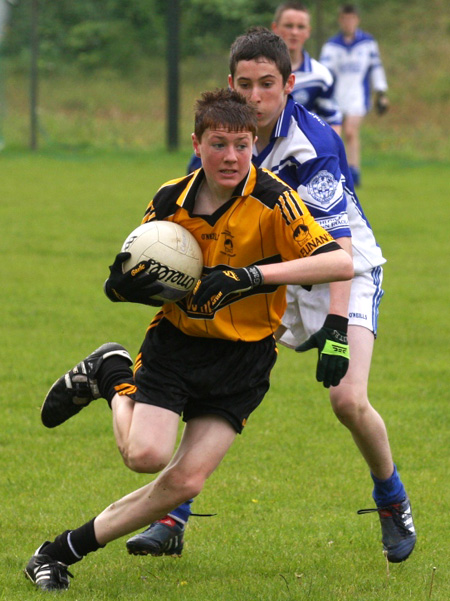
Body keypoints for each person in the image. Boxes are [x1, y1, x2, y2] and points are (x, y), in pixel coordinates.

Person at [24, 88, 353, 592]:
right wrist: (123, 284)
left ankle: (58, 552)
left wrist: (250, 277)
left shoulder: (273, 199)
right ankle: (114, 376)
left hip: (244, 360)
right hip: (177, 345)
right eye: (218, 144)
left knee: (185, 483)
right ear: (197, 143)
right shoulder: (169, 199)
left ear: (253, 144)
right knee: (146, 458)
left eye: (242, 145)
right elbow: (135, 264)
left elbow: (339, 261)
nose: (231, 157)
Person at [133, 27, 416, 565]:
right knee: (214, 365)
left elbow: (342, 248)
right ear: (230, 85)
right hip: (270, 274)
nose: (256, 97)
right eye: (245, 85)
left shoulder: (314, 143)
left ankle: (391, 498)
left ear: (289, 84)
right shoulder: (222, 142)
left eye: (268, 84)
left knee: (348, 400)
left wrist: (335, 330)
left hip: (343, 273)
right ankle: (173, 516)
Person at [320, 4, 389, 186]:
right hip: (336, 98)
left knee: (350, 131)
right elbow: (323, 73)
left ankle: (354, 172)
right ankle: (336, 171)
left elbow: (376, 68)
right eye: (344, 19)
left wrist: (381, 92)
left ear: (356, 20)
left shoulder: (367, 43)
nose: (348, 23)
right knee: (334, 135)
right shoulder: (331, 46)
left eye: (351, 19)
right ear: (340, 21)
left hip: (358, 97)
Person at [271, 2, 342, 133]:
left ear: (308, 31)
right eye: (288, 26)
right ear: (275, 28)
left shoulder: (320, 75)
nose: (294, 32)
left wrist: (331, 152)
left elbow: (332, 122)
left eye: (300, 27)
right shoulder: (258, 71)